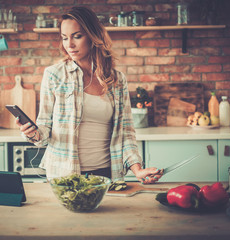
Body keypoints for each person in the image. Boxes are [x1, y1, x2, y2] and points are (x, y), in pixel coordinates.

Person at [17, 6, 161, 184]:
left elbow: (126, 133)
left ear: (93, 36)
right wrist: (33, 134)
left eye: (77, 36)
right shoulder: (54, 75)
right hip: (64, 176)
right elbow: (44, 127)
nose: (69, 44)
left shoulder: (117, 80)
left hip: (106, 175)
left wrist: (137, 170)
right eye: (64, 38)